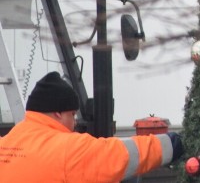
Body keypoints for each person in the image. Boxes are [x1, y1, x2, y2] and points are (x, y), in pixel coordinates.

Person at [0, 71, 183, 182]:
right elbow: (120, 156)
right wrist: (171, 144)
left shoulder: (5, 143)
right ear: (57, 113)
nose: (75, 122)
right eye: (72, 114)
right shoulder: (67, 150)